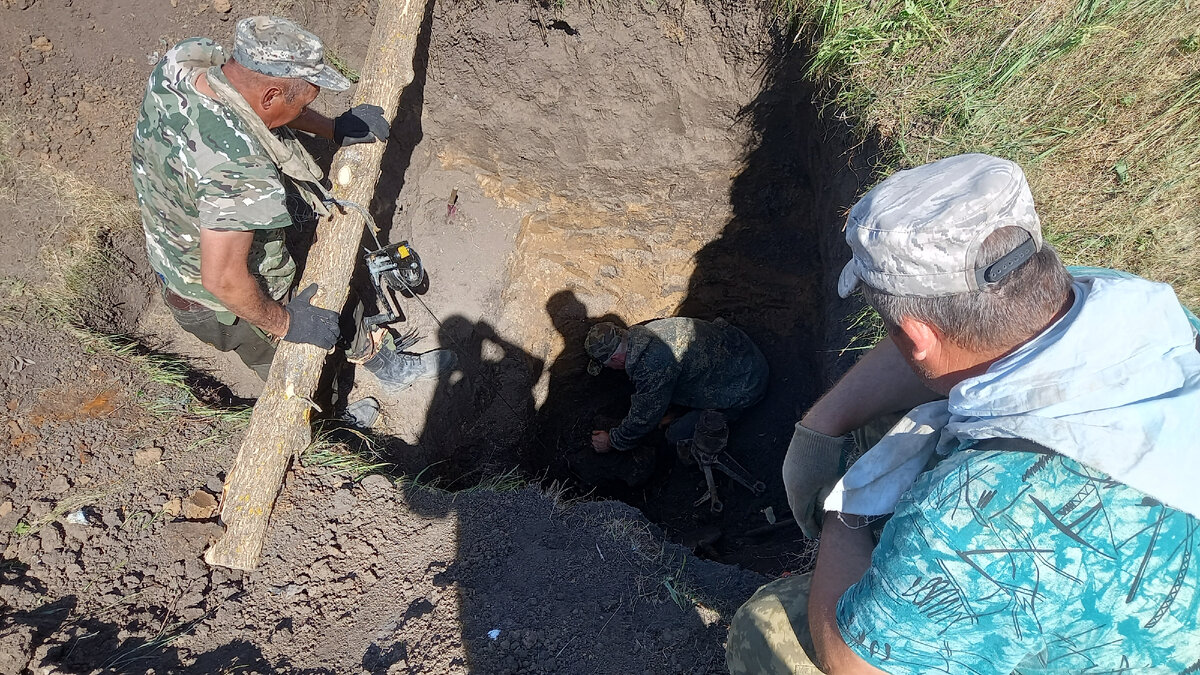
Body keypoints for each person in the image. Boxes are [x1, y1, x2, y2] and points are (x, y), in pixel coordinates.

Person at [727, 153, 1200, 673]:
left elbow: (852, 665)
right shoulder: (1129, 308)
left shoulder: (976, 515)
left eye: (893, 328)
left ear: (916, 336)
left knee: (768, 627)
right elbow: (950, 343)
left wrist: (848, 511)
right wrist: (824, 425)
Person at [131, 16, 453, 402]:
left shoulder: (185, 61)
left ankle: (385, 367)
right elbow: (223, 280)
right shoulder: (238, 170)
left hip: (182, 235)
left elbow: (262, 103)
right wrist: (286, 323)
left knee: (322, 306)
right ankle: (331, 425)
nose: (306, 108)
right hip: (214, 301)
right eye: (304, 102)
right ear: (270, 96)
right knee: (293, 368)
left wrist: (334, 128)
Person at [585, 317, 768, 453]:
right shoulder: (646, 333)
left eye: (607, 365)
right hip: (741, 352)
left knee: (676, 435)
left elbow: (644, 417)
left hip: (746, 385)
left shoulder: (651, 365)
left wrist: (613, 441)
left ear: (616, 358)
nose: (611, 369)